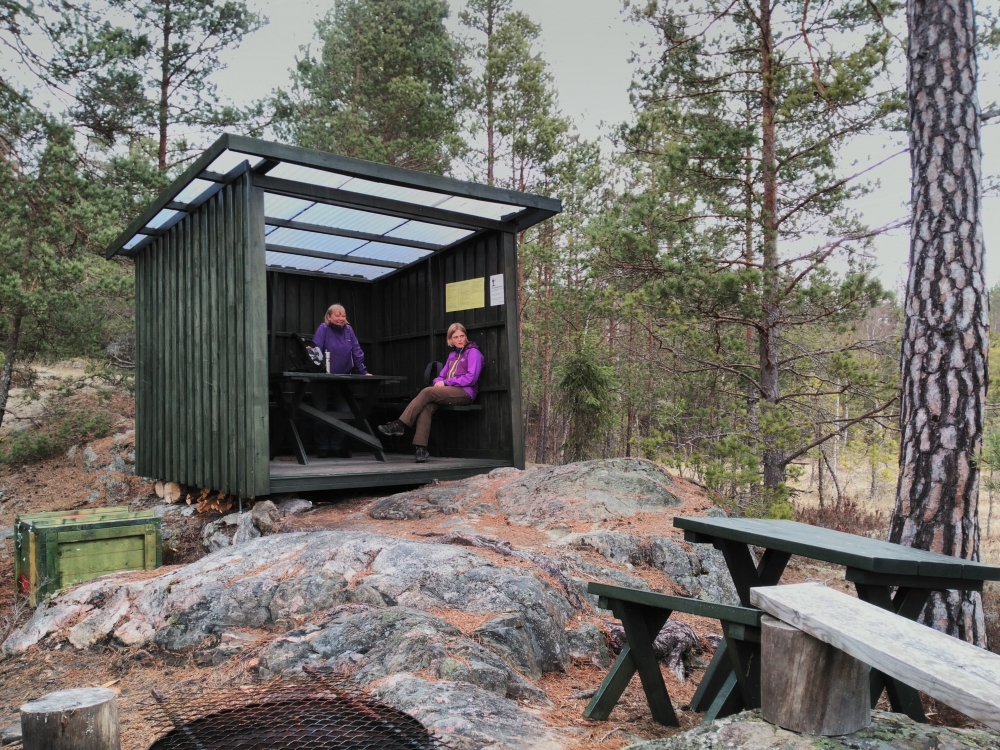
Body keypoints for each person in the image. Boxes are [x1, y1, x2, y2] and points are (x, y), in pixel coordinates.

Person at [378, 322, 483, 463]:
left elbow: (471, 378)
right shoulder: (452, 355)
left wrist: (445, 383)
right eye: (455, 337)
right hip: (448, 392)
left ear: (466, 337)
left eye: (462, 336)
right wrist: (438, 382)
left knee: (427, 392)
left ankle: (399, 424)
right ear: (450, 340)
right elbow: (441, 375)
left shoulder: (473, 353)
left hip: (465, 393)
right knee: (426, 406)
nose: (459, 339)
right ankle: (421, 449)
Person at [312, 304, 370, 458]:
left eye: (343, 315)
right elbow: (315, 350)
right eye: (337, 315)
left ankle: (336, 445)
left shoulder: (349, 331)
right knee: (319, 412)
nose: (340, 318)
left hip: (343, 378)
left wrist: (363, 371)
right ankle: (322, 447)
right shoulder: (323, 328)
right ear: (329, 317)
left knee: (346, 412)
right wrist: (317, 369)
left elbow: (357, 351)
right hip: (322, 378)